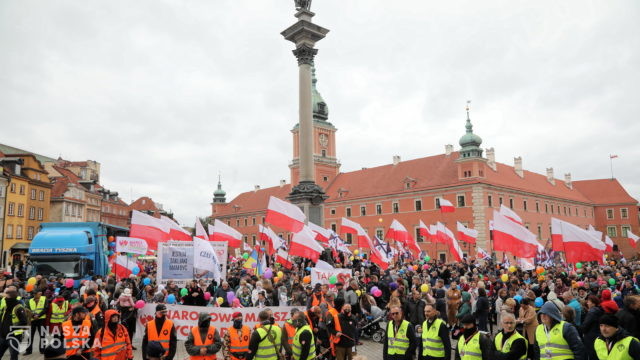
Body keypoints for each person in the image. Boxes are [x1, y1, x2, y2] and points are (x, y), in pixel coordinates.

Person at [0, 286, 28, 360]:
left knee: (13, 356)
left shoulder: (19, 308)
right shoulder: (5, 308)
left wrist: (11, 329)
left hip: (14, 336)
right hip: (3, 336)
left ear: (10, 298)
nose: (5, 299)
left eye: (7, 297)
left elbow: (24, 322)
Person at [26, 289, 47, 355]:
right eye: (38, 294)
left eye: (40, 294)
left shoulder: (44, 299)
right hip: (33, 320)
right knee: (30, 336)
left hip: (41, 319)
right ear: (34, 295)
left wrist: (38, 315)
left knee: (42, 335)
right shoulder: (29, 301)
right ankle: (28, 351)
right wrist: (33, 316)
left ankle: (42, 350)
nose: (39, 295)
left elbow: (46, 308)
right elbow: (27, 309)